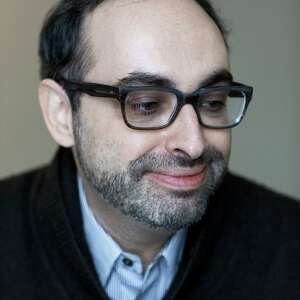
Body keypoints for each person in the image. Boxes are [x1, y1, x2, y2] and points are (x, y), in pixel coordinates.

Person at [1, 0, 299, 299]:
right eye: (146, 105)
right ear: (61, 114)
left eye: (213, 102)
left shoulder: (289, 245)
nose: (193, 144)